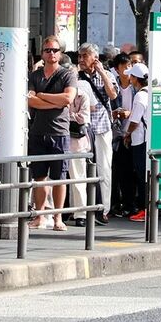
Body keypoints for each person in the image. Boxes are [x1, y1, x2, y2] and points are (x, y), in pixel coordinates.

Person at [27, 36, 77, 231]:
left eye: (55, 50)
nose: (52, 53)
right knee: (39, 178)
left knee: (59, 178)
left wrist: (41, 96)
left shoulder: (67, 74)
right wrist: (50, 101)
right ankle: (40, 216)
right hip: (38, 131)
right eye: (48, 50)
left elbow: (67, 98)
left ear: (60, 52)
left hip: (60, 132)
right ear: (42, 53)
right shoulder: (35, 76)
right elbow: (29, 101)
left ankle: (57, 218)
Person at [77, 43, 118, 226]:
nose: (81, 60)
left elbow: (113, 95)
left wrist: (102, 72)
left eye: (85, 56)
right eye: (80, 56)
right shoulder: (76, 76)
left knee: (104, 168)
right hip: (82, 129)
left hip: (102, 127)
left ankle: (103, 208)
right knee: (81, 170)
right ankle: (80, 211)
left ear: (95, 58)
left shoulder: (107, 75)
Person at [122, 63, 150, 222]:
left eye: (131, 76)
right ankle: (147, 208)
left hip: (140, 140)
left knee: (142, 176)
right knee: (146, 175)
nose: (130, 79)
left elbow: (134, 121)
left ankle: (144, 209)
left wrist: (127, 134)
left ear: (136, 79)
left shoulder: (140, 96)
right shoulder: (150, 92)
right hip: (148, 139)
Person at [110, 52, 135, 217]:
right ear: (117, 69)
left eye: (130, 66)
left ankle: (129, 203)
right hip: (116, 134)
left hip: (132, 133)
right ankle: (115, 203)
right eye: (124, 67)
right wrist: (116, 114)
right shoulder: (113, 86)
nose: (128, 69)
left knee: (129, 172)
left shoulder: (135, 87)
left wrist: (130, 114)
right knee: (116, 170)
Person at [67, 65, 92, 227]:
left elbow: (84, 118)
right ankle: (66, 211)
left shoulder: (83, 96)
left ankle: (81, 213)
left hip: (77, 141)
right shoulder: (60, 94)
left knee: (78, 178)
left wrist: (67, 115)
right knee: (60, 179)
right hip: (61, 139)